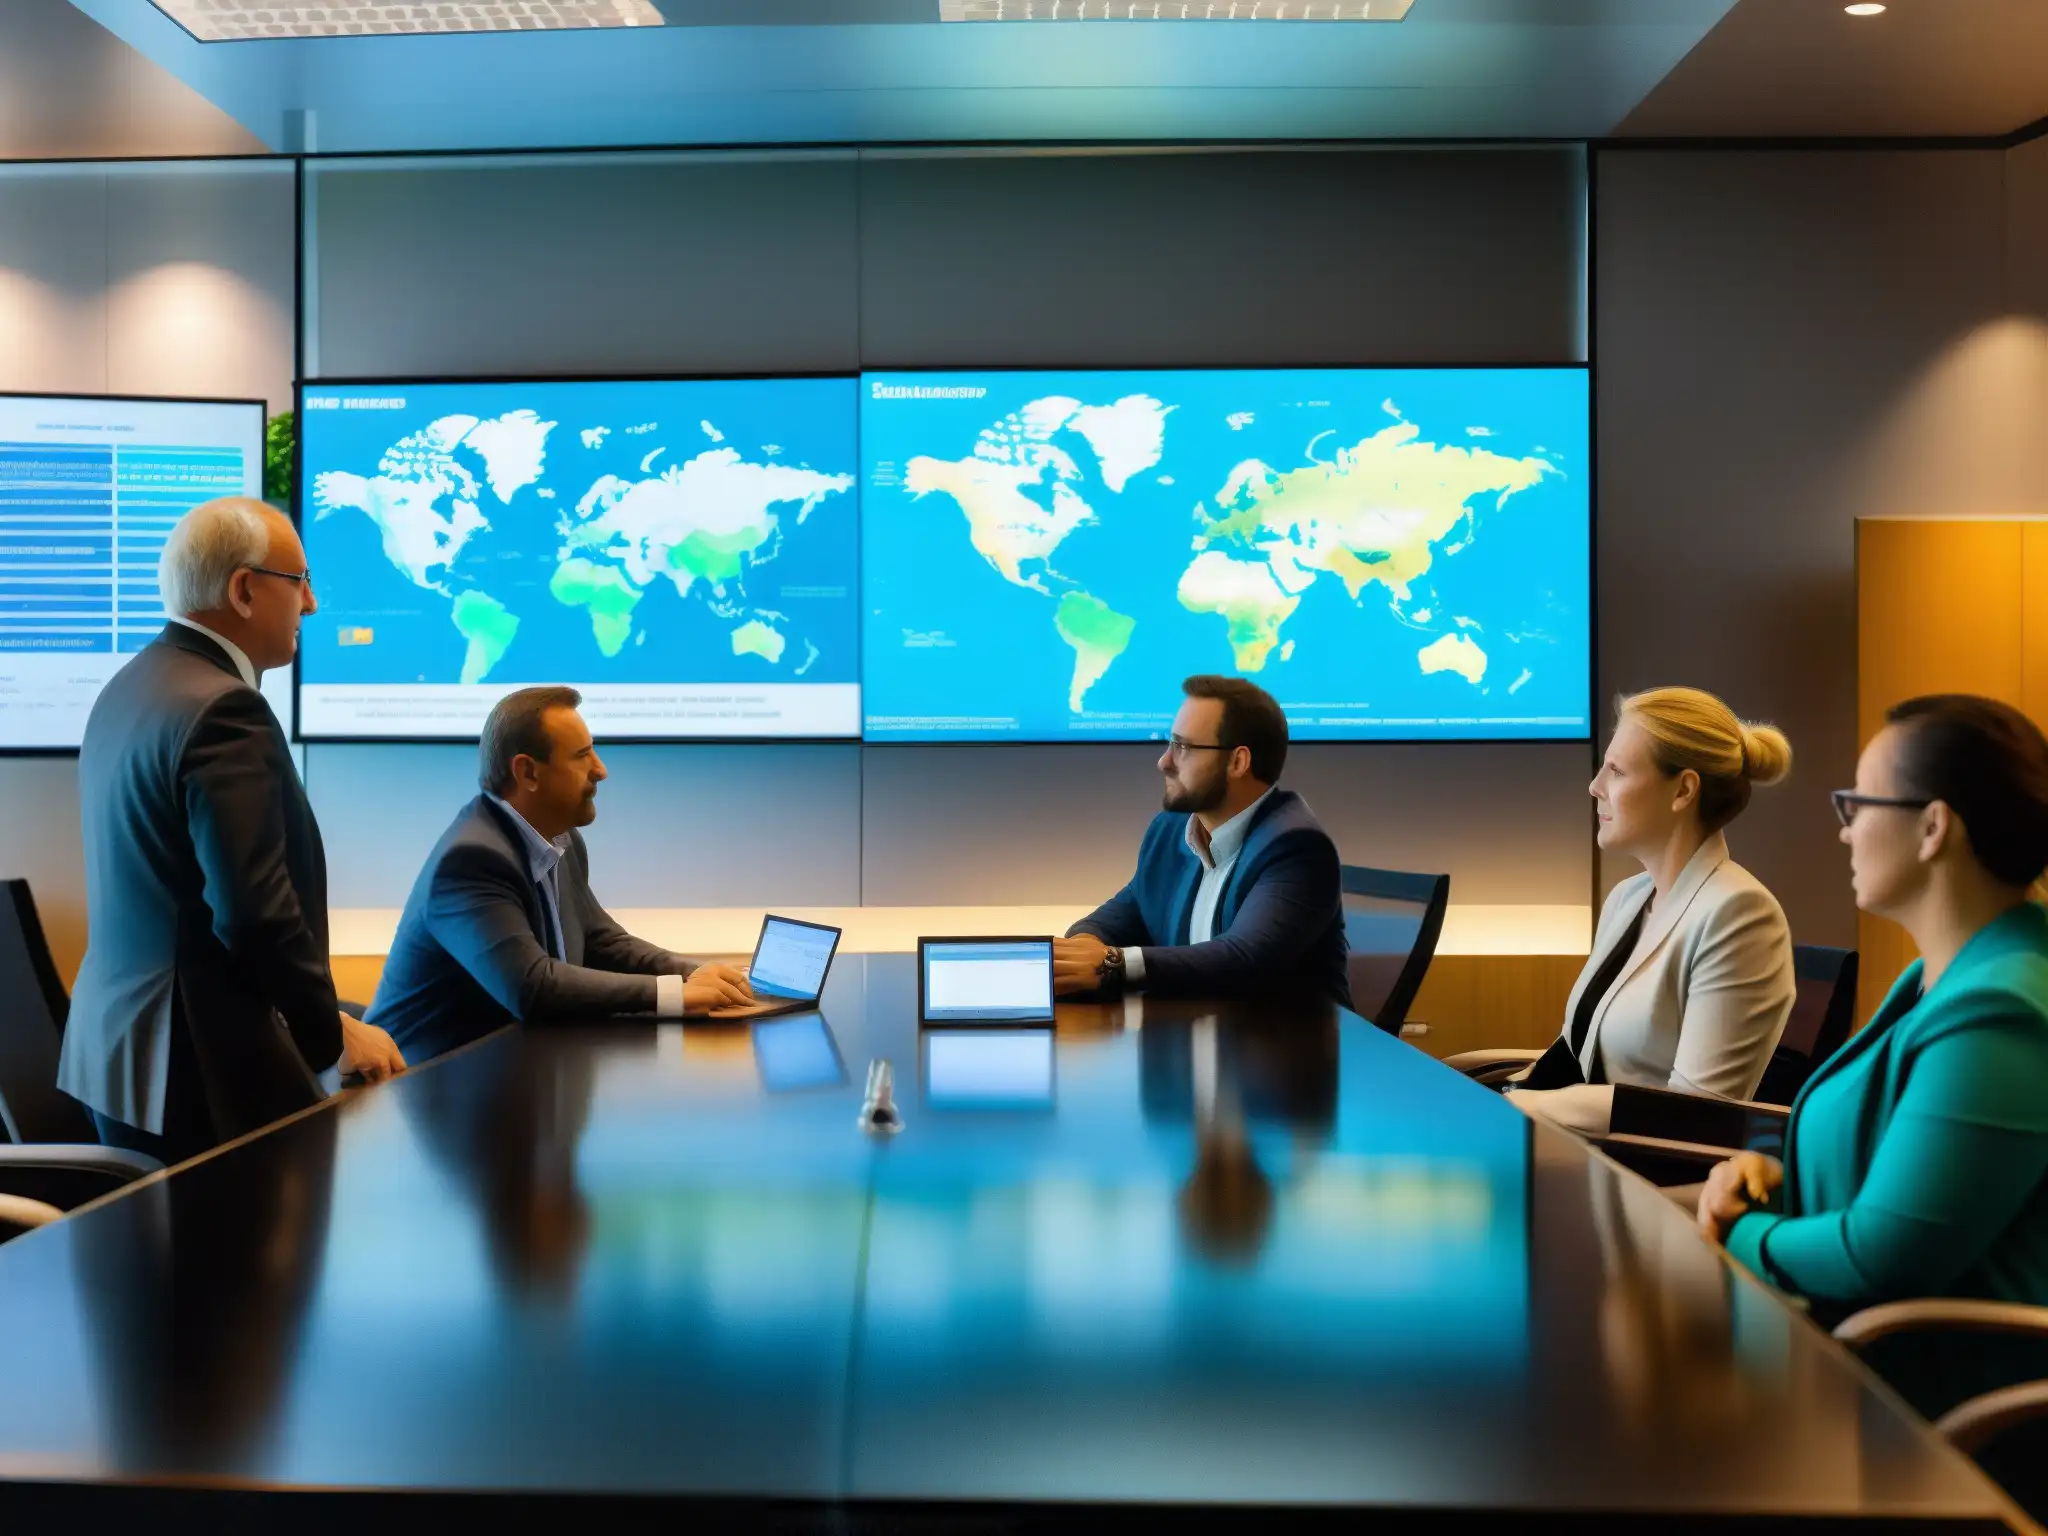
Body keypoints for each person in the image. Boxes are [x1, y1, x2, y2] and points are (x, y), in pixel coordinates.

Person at [61, 497, 405, 1166]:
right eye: (298, 580)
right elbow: (253, 916)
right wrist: (329, 1040)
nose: (310, 605)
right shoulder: (227, 709)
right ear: (244, 589)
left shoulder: (132, 685)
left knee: (163, 1268)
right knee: (236, 1270)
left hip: (121, 1054)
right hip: (199, 1068)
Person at [1699, 695, 2048, 1345]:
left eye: (1858, 805)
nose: (1845, 829)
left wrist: (1736, 1231)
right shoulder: (1938, 978)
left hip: (1933, 1412)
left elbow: (1881, 1257)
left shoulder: (2000, 1015)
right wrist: (1770, 1177)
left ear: (1933, 828)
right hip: (1850, 1354)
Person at [366, 686, 754, 1064]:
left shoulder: (559, 839)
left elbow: (603, 941)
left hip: (510, 1076)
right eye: (583, 756)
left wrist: (695, 972)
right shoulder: (470, 860)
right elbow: (531, 986)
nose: (600, 771)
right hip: (414, 1092)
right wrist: (675, 994)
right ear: (528, 772)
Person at [1508, 687, 1797, 1135]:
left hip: (1648, 1179)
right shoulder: (1628, 898)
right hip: (1579, 1153)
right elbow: (1577, 1052)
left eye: (1616, 771)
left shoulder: (1741, 914)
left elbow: (1692, 1114)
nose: (1595, 786)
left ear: (1683, 790)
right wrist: (1505, 1097)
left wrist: (1528, 1109)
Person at [1054, 675, 1349, 1006]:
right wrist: (1081, 950)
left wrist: (1112, 965)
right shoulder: (1170, 830)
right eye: (1170, 744)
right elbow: (1122, 914)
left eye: (1184, 747)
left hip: (1287, 1047)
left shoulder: (1297, 847)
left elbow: (1244, 957)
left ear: (1238, 762)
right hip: (1201, 1040)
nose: (1164, 761)